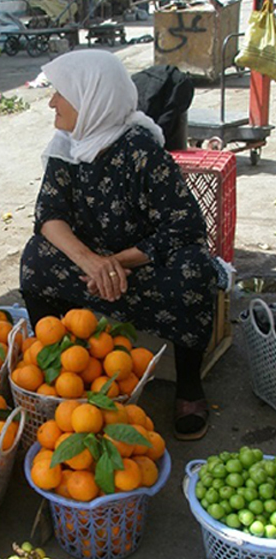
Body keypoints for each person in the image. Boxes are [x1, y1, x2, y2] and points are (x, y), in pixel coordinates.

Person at [20, 50, 223, 442]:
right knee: (35, 261)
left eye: (61, 93)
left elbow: (185, 224)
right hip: (92, 266)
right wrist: (92, 262)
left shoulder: (141, 149)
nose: (51, 102)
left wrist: (116, 262)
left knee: (195, 269)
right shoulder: (68, 145)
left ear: (91, 96)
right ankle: (62, 370)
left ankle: (189, 389)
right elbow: (48, 216)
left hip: (139, 265)